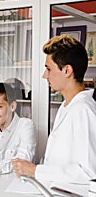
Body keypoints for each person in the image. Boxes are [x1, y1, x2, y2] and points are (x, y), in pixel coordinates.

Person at [12, 34, 96, 184]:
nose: (45, 76)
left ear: (67, 71)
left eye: (48, 69)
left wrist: (34, 170)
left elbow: (89, 173)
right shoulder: (67, 107)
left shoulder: (84, 111)